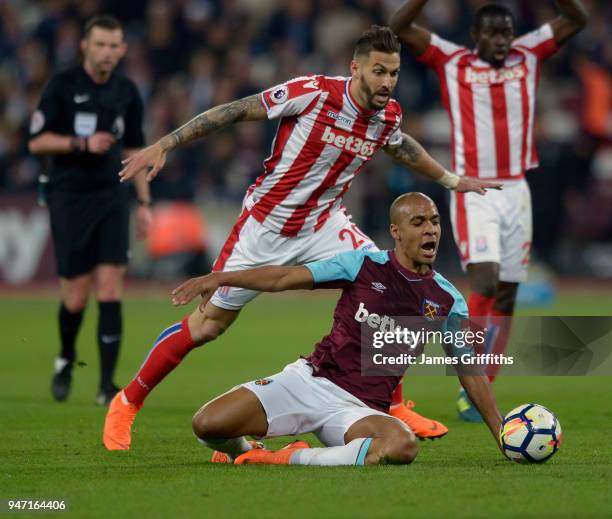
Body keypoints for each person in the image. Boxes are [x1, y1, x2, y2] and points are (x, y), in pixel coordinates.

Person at [103, 25, 501, 450]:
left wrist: (451, 180)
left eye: (394, 74)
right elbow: (236, 110)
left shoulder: (389, 115)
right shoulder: (313, 93)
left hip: (326, 224)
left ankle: (389, 405)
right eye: (379, 71)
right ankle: (127, 401)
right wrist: (167, 142)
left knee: (393, 283)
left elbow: (401, 145)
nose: (387, 82)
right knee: (206, 327)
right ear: (356, 69)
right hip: (266, 227)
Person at [171, 193, 503, 466]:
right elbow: (283, 277)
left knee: (402, 445)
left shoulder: (449, 299)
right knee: (207, 425)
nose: (430, 230)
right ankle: (243, 451)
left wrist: (502, 434)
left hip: (360, 409)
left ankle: (284, 459)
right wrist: (221, 277)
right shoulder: (360, 264)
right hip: (309, 380)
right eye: (418, 222)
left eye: (434, 221)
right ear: (396, 231)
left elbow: (470, 372)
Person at [390, 1, 588, 420]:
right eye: (492, 33)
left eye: (506, 32)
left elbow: (576, 19)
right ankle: (470, 374)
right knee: (485, 276)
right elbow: (400, 25)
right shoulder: (451, 58)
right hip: (473, 187)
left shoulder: (528, 52)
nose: (500, 40)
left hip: (516, 189)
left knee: (508, 293)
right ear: (476, 35)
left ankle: (479, 392)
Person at [28, 15, 152, 405]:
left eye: (114, 46)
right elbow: (37, 141)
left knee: (111, 288)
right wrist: (81, 144)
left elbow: (135, 150)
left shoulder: (127, 91)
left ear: (123, 49)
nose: (107, 53)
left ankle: (105, 386)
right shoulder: (62, 86)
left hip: (112, 198)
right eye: (100, 45)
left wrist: (145, 202)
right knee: (76, 297)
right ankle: (65, 357)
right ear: (85, 46)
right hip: (69, 197)